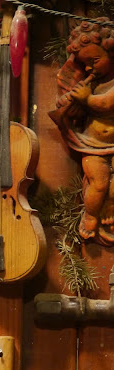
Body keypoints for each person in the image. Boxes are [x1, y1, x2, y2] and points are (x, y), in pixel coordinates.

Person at [50, 18, 114, 245]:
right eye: (84, 63)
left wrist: (86, 99)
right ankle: (91, 215)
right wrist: (70, 104)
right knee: (98, 182)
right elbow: (79, 112)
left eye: (94, 61)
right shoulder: (90, 82)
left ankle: (110, 207)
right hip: (92, 144)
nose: (89, 68)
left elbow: (106, 103)